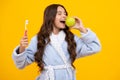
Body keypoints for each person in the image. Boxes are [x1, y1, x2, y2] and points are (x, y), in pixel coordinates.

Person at [12, 4, 101, 80]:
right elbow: (21, 64)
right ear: (50, 17)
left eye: (65, 14)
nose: (64, 16)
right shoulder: (39, 39)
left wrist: (82, 29)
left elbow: (94, 47)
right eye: (59, 13)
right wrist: (22, 48)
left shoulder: (70, 38)